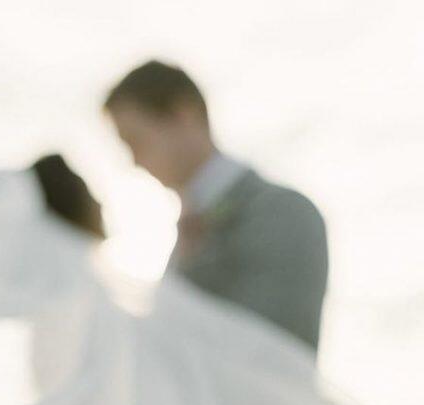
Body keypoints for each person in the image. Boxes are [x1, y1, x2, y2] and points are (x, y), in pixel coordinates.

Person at [104, 60, 328, 353]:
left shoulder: (284, 211)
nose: (134, 161)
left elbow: (269, 351)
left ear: (184, 115)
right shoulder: (183, 233)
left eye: (136, 141)